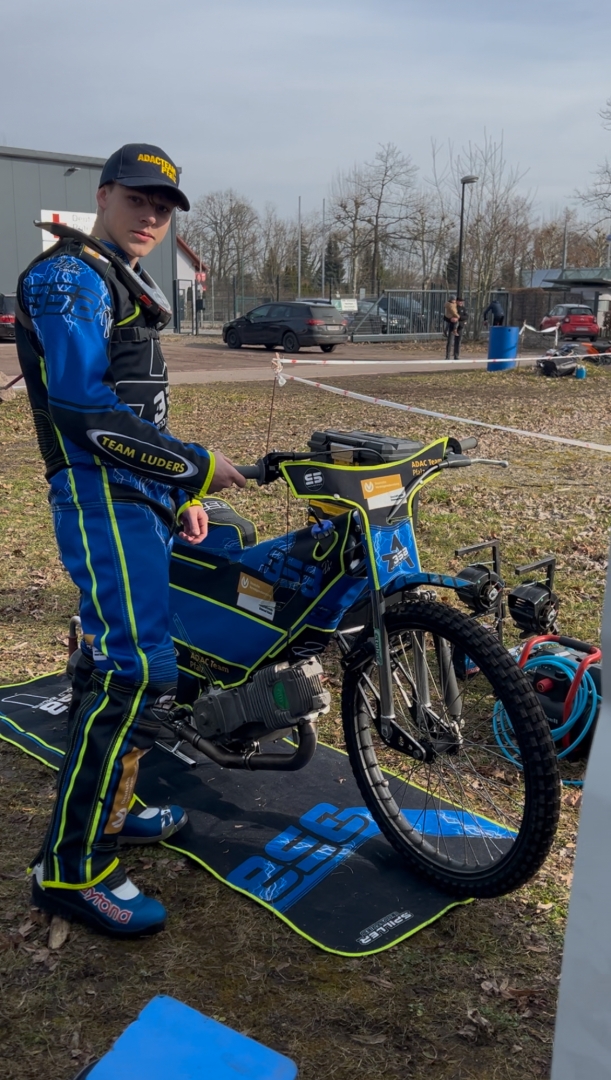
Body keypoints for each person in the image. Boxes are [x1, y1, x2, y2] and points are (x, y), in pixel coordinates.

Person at [15, 143, 246, 938]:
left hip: (135, 494)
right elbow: (84, 410)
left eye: (164, 206)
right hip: (97, 494)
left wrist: (178, 490)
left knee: (111, 661)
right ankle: (71, 869)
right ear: (104, 195)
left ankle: (114, 805)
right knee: (136, 671)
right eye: (138, 198)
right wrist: (192, 465)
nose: (151, 215)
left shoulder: (117, 275)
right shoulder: (69, 276)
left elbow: (137, 404)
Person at [444, 295, 459, 360]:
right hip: (451, 317)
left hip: (449, 317)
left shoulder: (449, 304)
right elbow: (453, 311)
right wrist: (457, 316)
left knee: (450, 324)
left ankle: (446, 330)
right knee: (455, 322)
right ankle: (454, 330)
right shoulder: (451, 305)